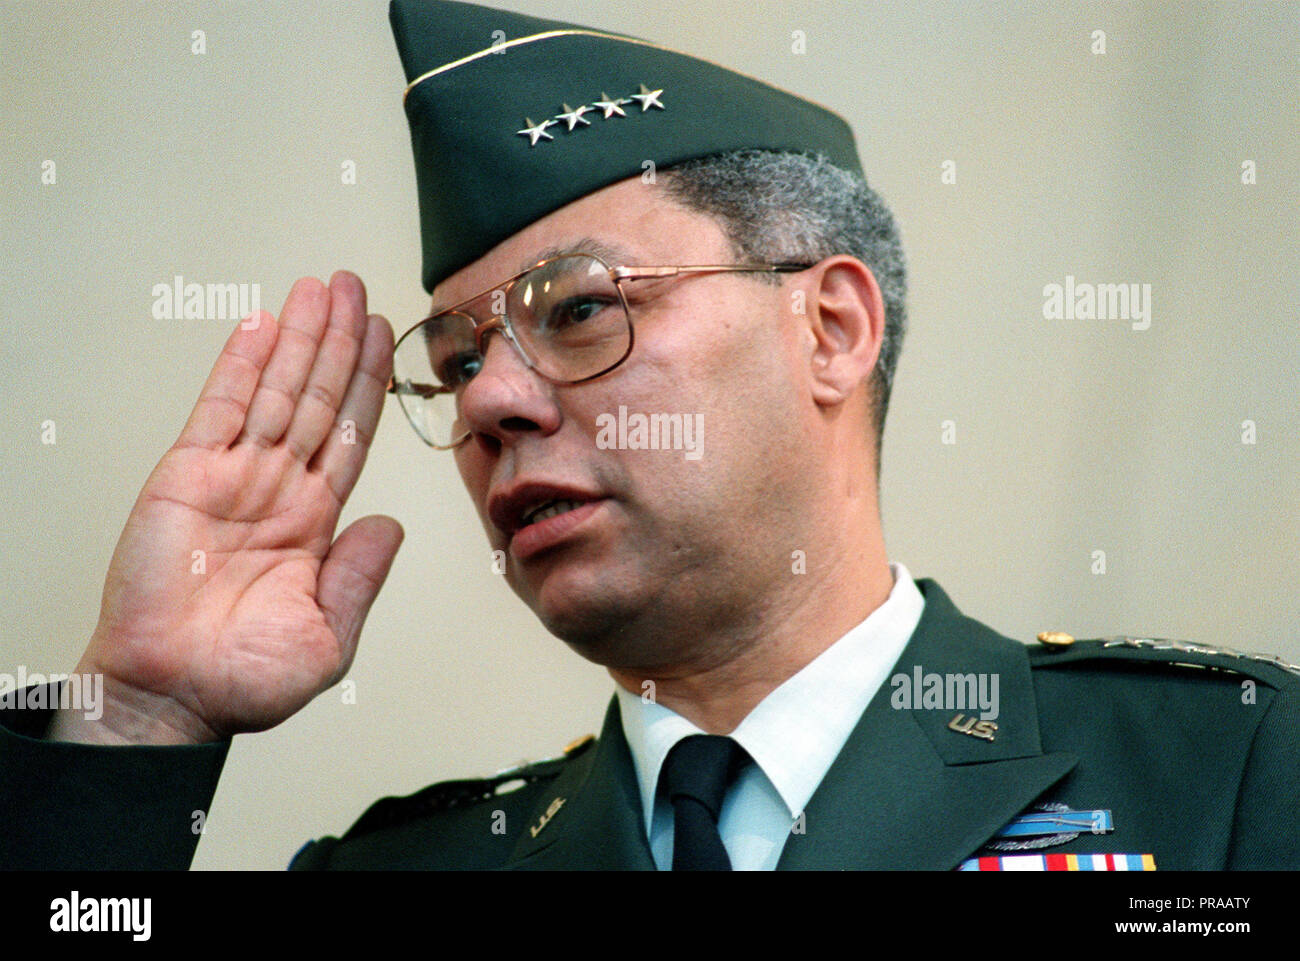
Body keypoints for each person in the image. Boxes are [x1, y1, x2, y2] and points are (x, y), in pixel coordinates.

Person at [2, 0, 1297, 871]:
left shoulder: (1220, 773)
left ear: (832, 326)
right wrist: (140, 723)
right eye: (454, 361)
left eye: (576, 310)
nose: (494, 402)